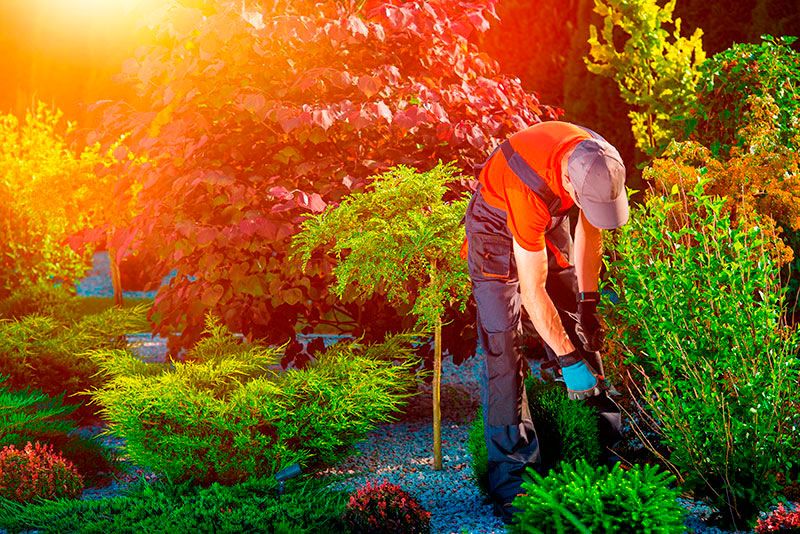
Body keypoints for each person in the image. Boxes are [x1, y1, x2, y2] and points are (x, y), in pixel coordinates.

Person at [463, 120, 629, 523]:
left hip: (544, 221)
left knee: (575, 320)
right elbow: (533, 292)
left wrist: (588, 304)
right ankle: (514, 480)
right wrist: (569, 363)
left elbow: (592, 235)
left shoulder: (599, 161)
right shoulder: (528, 188)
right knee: (505, 347)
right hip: (495, 227)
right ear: (570, 189)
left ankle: (608, 448)